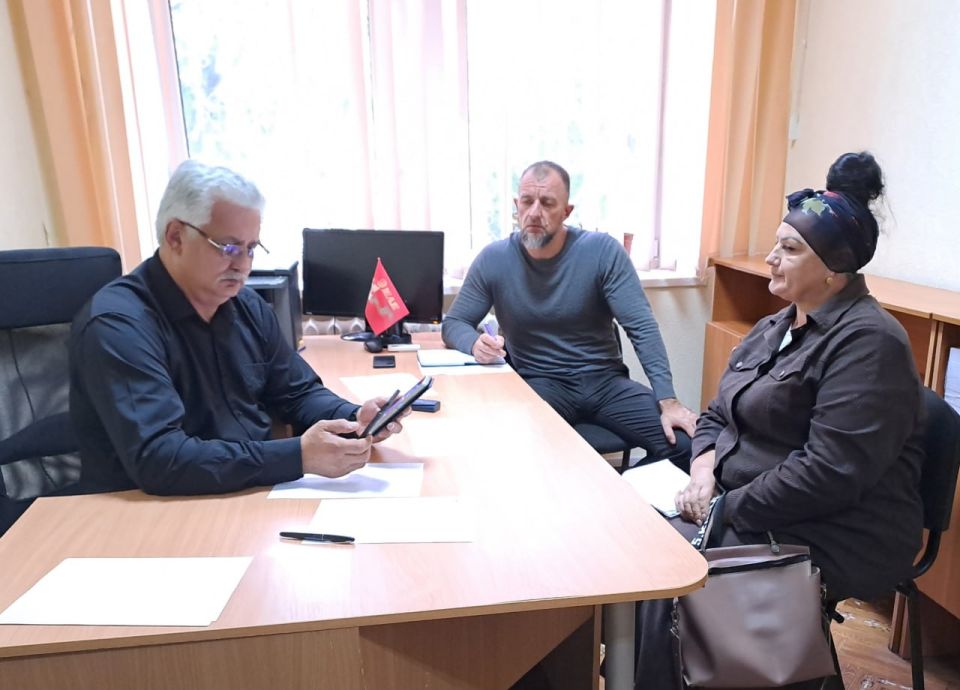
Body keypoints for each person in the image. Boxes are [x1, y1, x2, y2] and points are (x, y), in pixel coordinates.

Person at [635, 151, 925, 688]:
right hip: (752, 501)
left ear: (834, 269)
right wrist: (703, 472)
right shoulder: (777, 325)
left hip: (841, 525)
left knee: (674, 576)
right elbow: (718, 411)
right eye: (776, 243)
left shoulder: (870, 343)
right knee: (637, 544)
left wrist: (724, 508)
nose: (770, 258)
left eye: (789, 249)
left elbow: (828, 473)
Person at [70, 160, 405, 496]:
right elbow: (161, 459)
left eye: (251, 249)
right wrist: (296, 456)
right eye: (228, 248)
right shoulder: (119, 325)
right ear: (176, 237)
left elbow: (297, 392)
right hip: (152, 508)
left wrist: (354, 419)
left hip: (245, 492)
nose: (243, 264)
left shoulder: (246, 306)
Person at [442, 160, 698, 470]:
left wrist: (668, 400)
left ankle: (623, 494)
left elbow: (642, 327)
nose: (534, 212)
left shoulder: (601, 251)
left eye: (547, 203)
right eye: (527, 201)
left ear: (566, 211)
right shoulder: (494, 259)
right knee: (511, 450)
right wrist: (474, 344)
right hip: (541, 382)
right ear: (516, 205)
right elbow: (455, 322)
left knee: (688, 446)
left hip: (606, 383)